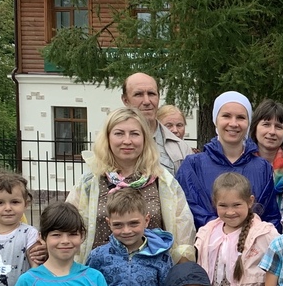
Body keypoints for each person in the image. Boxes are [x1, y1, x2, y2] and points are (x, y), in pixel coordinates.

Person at [66, 106, 196, 263]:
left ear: (144, 139)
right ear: (107, 138)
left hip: (152, 278)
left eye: (134, 134)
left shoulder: (162, 182)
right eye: (119, 133)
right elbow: (67, 226)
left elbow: (183, 234)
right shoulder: (90, 182)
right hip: (98, 277)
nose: (127, 141)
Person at [177, 91, 283, 231]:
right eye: (226, 116)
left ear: (248, 123)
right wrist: (225, 232)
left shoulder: (262, 167)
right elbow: (186, 213)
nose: (233, 123)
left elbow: (270, 218)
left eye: (240, 117)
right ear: (215, 119)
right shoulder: (193, 166)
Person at [121, 72, 187, 174]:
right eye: (138, 94)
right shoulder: (112, 144)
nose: (147, 101)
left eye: (151, 94)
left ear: (158, 97)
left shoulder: (181, 148)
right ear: (125, 100)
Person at [251, 99, 283, 202]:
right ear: (255, 127)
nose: (272, 132)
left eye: (278, 127)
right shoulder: (242, 164)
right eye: (266, 124)